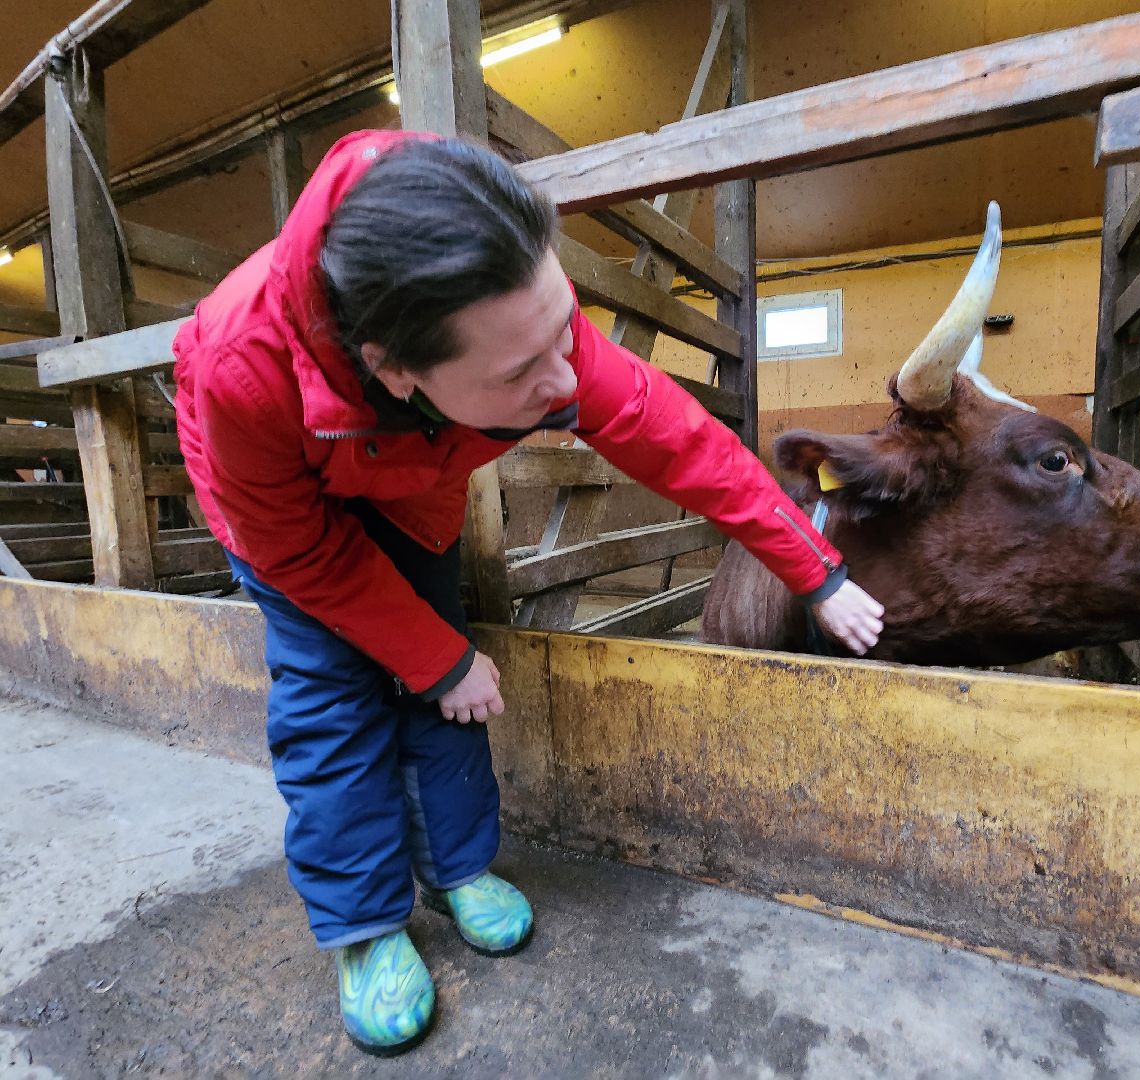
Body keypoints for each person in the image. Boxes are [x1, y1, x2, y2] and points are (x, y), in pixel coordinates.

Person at [172, 129, 884, 1056]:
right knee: (332, 698)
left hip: (411, 485)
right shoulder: (242, 367)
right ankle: (366, 927)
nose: (566, 381)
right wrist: (438, 659)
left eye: (564, 329)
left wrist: (816, 571)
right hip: (286, 516)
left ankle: (457, 868)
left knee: (449, 694)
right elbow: (300, 550)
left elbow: (676, 437)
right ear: (395, 367)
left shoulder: (510, 299)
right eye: (521, 373)